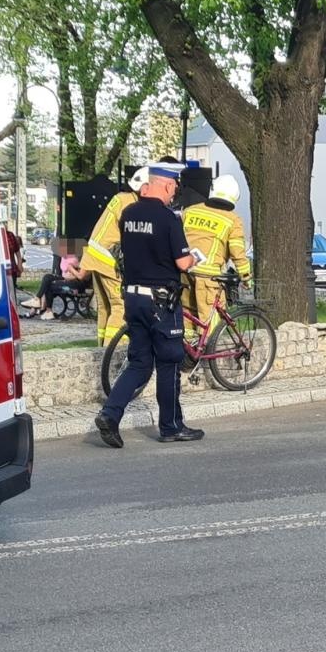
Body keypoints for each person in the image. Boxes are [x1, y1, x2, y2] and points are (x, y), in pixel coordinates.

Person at [94, 164, 203, 448]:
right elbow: (181, 263)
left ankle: (110, 414)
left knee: (140, 363)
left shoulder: (128, 215)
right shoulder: (168, 218)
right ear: (166, 186)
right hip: (161, 301)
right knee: (169, 362)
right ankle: (171, 427)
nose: (174, 194)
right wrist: (194, 259)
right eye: (174, 189)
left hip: (133, 298)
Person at [79, 167, 148, 344]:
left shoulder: (120, 198)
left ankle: (101, 348)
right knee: (120, 306)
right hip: (108, 260)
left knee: (104, 307)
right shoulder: (131, 204)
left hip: (94, 256)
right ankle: (114, 350)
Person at [180, 174, 252, 340]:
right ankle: (208, 355)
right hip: (209, 276)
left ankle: (189, 353)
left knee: (187, 311)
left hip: (184, 271)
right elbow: (237, 253)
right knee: (210, 318)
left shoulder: (190, 211)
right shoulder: (232, 220)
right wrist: (246, 277)